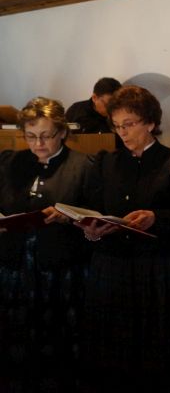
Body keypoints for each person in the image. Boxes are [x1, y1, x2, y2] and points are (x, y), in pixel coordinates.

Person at [77, 86, 170, 392]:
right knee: (113, 352)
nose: (122, 132)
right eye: (117, 125)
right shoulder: (106, 162)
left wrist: (155, 217)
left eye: (129, 124)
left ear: (150, 122)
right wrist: (90, 230)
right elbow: (92, 209)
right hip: (112, 266)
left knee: (158, 352)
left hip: (156, 268)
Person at [0, 97, 93, 392]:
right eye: (30, 136)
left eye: (45, 135)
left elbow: (96, 215)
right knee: (15, 337)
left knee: (57, 340)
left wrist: (69, 216)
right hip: (15, 265)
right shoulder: (10, 162)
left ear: (62, 132)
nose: (38, 143)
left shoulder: (82, 166)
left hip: (59, 268)